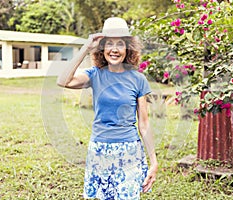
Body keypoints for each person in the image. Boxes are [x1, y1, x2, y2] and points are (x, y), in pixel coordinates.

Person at [57, 17, 158, 200]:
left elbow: (144, 124)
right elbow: (62, 81)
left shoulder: (138, 80)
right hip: (100, 150)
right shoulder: (94, 75)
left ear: (127, 48)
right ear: (102, 48)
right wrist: (86, 48)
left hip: (129, 151)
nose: (114, 49)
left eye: (120, 44)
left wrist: (154, 162)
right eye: (109, 44)